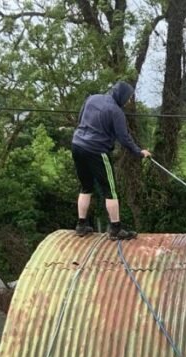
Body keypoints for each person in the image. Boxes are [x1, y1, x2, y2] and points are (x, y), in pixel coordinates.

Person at [71, 81, 151, 240]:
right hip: (97, 150)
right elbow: (124, 138)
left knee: (86, 187)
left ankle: (81, 225)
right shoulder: (116, 111)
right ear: (122, 96)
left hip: (77, 145)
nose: (128, 102)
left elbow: (80, 119)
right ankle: (115, 229)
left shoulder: (92, 98)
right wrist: (139, 153)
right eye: (128, 98)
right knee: (110, 191)